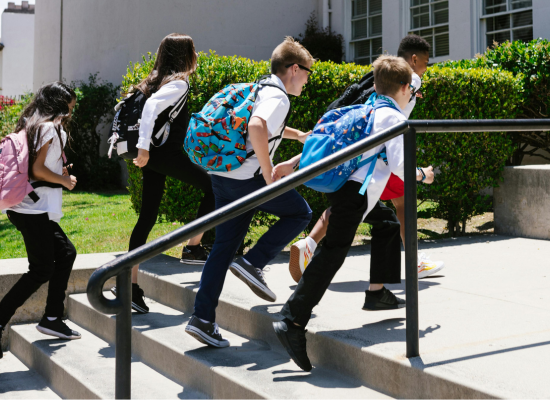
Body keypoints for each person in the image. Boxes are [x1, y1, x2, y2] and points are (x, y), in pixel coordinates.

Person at [272, 55, 435, 372]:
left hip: (345, 187)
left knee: (383, 223)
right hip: (356, 194)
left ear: (375, 85)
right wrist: (424, 175)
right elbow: (401, 167)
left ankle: (374, 293)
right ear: (405, 88)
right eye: (411, 90)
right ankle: (292, 322)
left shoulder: (369, 109)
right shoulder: (393, 118)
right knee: (331, 255)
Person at [184, 37, 314, 348]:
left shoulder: (260, 87)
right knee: (300, 212)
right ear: (294, 69)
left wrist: (299, 136)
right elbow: (257, 126)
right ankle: (254, 262)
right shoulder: (279, 98)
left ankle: (202, 318)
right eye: (307, 73)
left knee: (222, 249)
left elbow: (260, 124)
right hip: (247, 179)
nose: (307, 80)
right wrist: (268, 170)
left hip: (222, 174)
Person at [289, 34, 445, 283]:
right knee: (400, 208)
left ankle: (309, 242)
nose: (427, 68)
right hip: (382, 162)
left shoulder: (383, 78)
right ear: (414, 59)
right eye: (426, 62)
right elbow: (393, 124)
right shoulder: (410, 79)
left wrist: (295, 160)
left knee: (350, 208)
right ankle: (410, 265)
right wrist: (421, 172)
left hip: (365, 161)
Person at [120, 33, 215, 314]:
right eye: (193, 51)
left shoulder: (153, 80)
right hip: (162, 155)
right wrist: (144, 148)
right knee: (212, 187)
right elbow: (150, 108)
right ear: (186, 56)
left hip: (154, 158)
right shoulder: (178, 84)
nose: (196, 56)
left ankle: (131, 287)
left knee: (147, 217)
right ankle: (193, 247)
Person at [0, 82, 81, 359]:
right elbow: (37, 169)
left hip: (30, 208)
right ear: (61, 102)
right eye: (71, 102)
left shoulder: (32, 124)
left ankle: (52, 318)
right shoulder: (49, 127)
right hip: (33, 210)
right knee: (41, 269)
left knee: (66, 252)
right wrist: (65, 180)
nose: (73, 107)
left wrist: (59, 171)